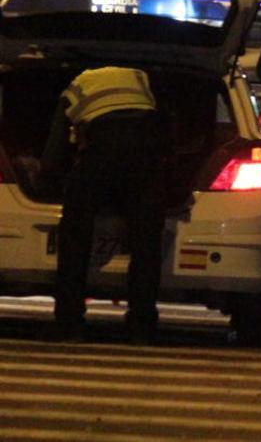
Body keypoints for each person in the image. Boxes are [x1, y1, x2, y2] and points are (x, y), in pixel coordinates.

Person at [40, 66, 170, 343]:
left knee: (75, 237)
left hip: (99, 159)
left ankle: (69, 322)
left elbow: (55, 149)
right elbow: (164, 130)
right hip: (143, 163)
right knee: (146, 243)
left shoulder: (74, 89)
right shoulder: (140, 78)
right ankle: (142, 324)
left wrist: (49, 179)